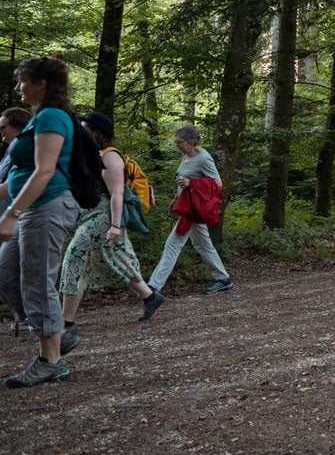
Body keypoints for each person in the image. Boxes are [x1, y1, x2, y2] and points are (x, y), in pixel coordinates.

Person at [0, 57, 81, 388]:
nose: (19, 87)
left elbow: (45, 171)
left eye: (23, 81)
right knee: (6, 273)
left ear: (41, 83)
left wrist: (10, 213)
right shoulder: (37, 119)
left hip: (47, 206)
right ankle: (54, 335)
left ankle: (50, 359)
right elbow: (20, 173)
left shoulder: (51, 116)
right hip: (33, 207)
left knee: (37, 280)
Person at [59, 113, 164, 328]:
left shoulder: (110, 156)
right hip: (90, 214)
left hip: (105, 216)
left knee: (73, 258)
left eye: (85, 128)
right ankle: (150, 297)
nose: (81, 131)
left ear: (96, 132)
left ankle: (65, 322)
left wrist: (115, 225)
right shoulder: (93, 154)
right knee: (118, 256)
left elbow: (117, 193)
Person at [147, 125, 233, 295]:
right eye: (176, 141)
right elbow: (183, 178)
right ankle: (223, 278)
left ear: (191, 141)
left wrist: (191, 183)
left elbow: (218, 184)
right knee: (204, 245)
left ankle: (152, 287)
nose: (177, 144)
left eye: (180, 142)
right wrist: (176, 198)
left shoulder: (204, 158)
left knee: (173, 245)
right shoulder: (185, 155)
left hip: (193, 210)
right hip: (187, 205)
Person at [0, 107, 32, 332]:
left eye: (4, 127)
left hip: (21, 218)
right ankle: (25, 317)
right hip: (6, 219)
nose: (1, 132)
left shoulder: (24, 151)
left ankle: (33, 320)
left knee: (10, 272)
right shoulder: (9, 152)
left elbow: (14, 184)